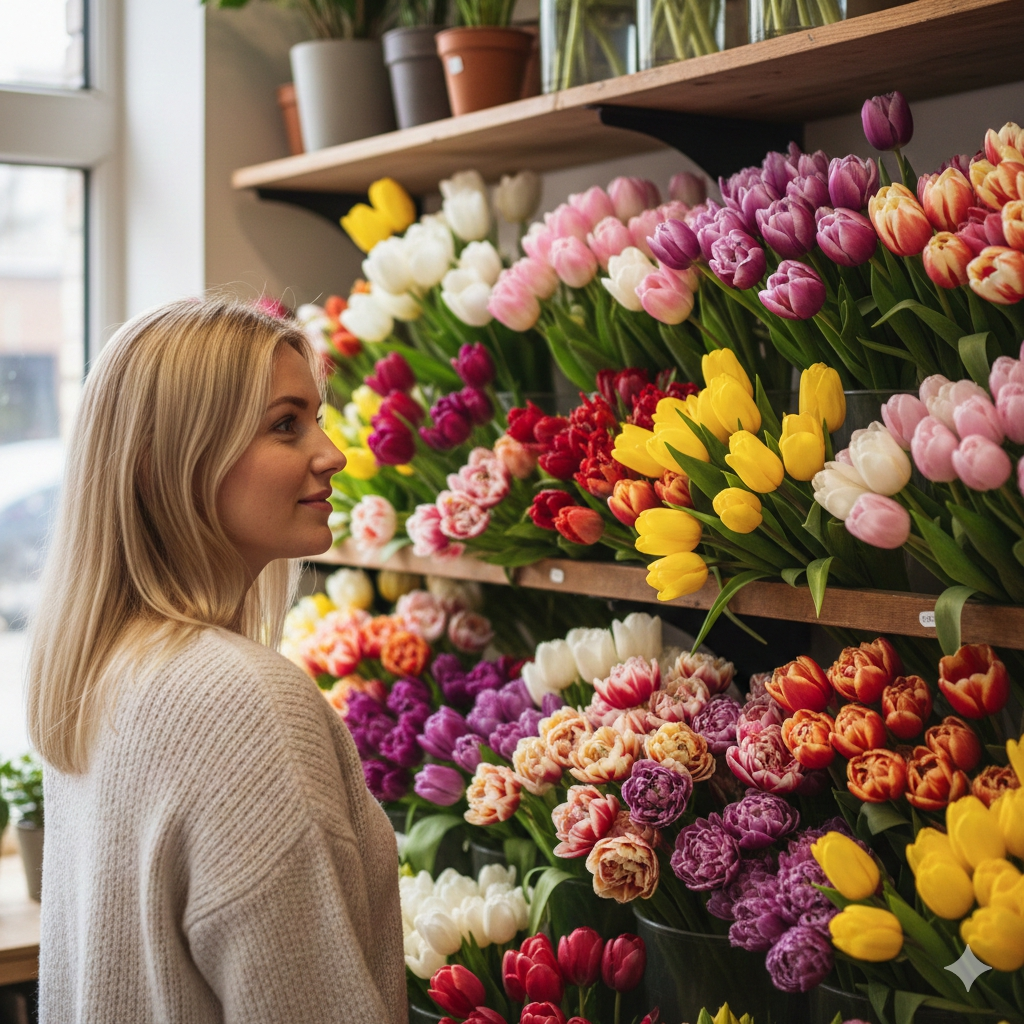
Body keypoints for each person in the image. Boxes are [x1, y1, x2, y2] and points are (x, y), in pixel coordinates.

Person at [27, 298, 407, 1023]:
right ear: (164, 461)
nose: (331, 455)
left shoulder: (103, 670)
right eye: (284, 424)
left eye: (317, 421)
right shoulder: (242, 701)